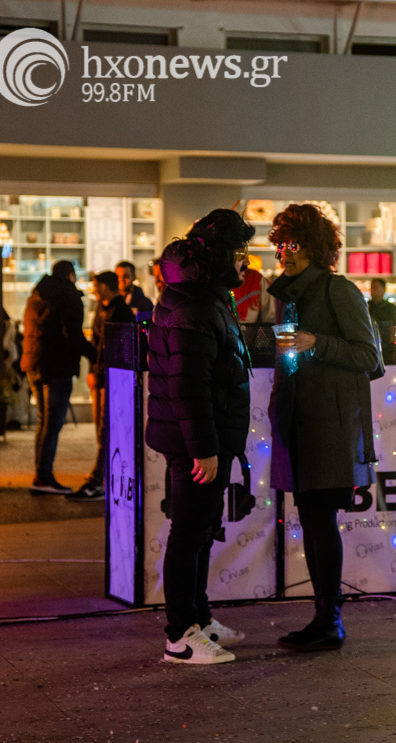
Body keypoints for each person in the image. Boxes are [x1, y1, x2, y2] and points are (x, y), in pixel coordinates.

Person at [267, 204, 382, 652]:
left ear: (314, 247)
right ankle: (324, 617)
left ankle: (329, 619)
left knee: (320, 519)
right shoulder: (288, 296)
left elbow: (370, 357)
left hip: (330, 426)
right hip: (297, 421)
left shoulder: (338, 289)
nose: (285, 253)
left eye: (293, 244)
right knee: (312, 519)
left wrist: (318, 343)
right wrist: (277, 409)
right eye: (280, 245)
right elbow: (284, 359)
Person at [146, 209, 252, 665]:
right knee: (189, 535)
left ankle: (199, 620)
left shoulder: (203, 295)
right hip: (196, 442)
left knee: (201, 532)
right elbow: (188, 387)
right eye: (241, 252)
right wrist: (204, 449)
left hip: (204, 437)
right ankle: (180, 638)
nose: (246, 261)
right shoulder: (196, 306)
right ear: (220, 256)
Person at [21, 260, 96, 495]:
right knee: (52, 424)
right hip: (57, 366)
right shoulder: (68, 296)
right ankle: (43, 476)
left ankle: (40, 474)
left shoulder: (37, 295)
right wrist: (95, 355)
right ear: (70, 275)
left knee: (44, 422)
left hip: (34, 363)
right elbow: (72, 333)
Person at [73, 271, 134, 501]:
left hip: (113, 377)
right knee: (101, 427)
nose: (94, 290)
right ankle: (103, 476)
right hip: (101, 376)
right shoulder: (102, 308)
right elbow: (96, 342)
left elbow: (115, 347)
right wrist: (92, 371)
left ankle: (98, 479)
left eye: (96, 286)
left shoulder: (120, 311)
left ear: (106, 287)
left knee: (106, 428)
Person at [230, 256, 275, 324]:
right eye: (239, 256)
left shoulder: (255, 280)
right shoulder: (213, 291)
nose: (247, 262)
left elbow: (270, 320)